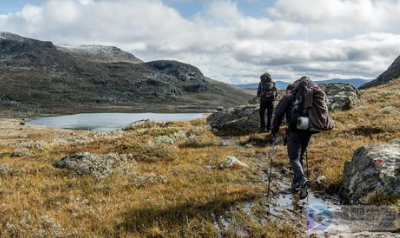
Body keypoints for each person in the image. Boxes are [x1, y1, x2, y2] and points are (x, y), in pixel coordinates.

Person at [270, 77, 314, 199]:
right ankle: (296, 184)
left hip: (295, 130)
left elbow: (278, 114)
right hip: (309, 129)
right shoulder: (310, 98)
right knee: (300, 156)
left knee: (294, 157)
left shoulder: (289, 98)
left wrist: (274, 129)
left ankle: (301, 180)